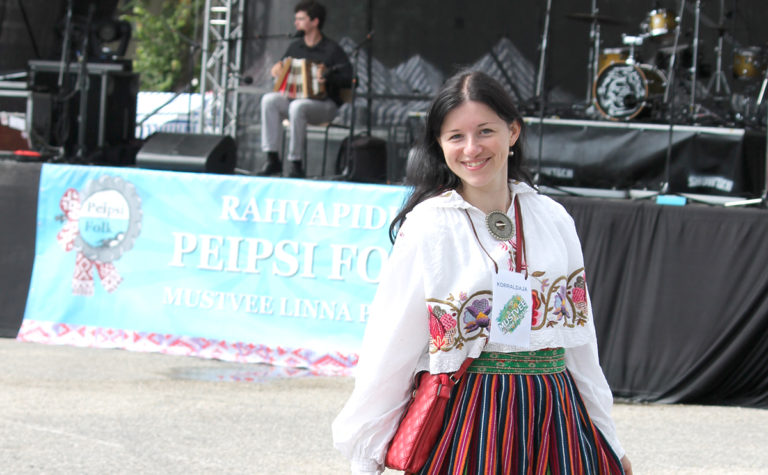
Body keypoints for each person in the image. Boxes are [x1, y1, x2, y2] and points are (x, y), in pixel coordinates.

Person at [332, 70, 632, 474]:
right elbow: (390, 350)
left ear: (513, 132)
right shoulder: (429, 226)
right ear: (440, 145)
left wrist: (608, 439)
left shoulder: (552, 218)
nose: (471, 148)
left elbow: (580, 344)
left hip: (554, 418)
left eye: (485, 131)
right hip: (472, 417)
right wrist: (365, 458)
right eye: (456, 136)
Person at [257, 0, 352, 178]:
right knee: (269, 100)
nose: (296, 23)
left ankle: (296, 163)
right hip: (296, 101)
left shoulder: (332, 50)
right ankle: (272, 158)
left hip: (325, 105)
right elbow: (282, 67)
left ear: (315, 21)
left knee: (297, 106)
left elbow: (350, 80)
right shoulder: (296, 47)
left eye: (301, 19)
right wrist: (277, 70)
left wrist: (327, 76)